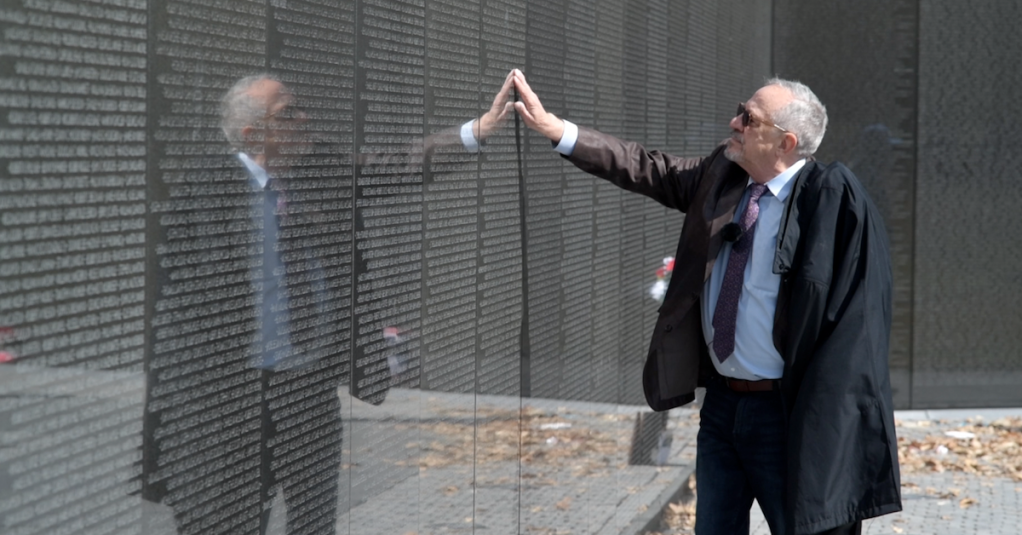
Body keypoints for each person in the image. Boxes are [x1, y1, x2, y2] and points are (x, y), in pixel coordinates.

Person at [510, 69, 901, 535]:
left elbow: (855, 332)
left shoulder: (829, 202)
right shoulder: (723, 176)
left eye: (748, 118)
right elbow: (645, 166)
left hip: (785, 417)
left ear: (786, 143)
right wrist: (558, 131)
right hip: (721, 409)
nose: (734, 122)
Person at [141, 73, 514, 535]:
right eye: (288, 114)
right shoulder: (205, 191)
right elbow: (177, 317)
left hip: (307, 393)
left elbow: (396, 165)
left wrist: (476, 130)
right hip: (231, 404)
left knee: (315, 523)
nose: (305, 118)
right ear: (253, 134)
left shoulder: (319, 171)